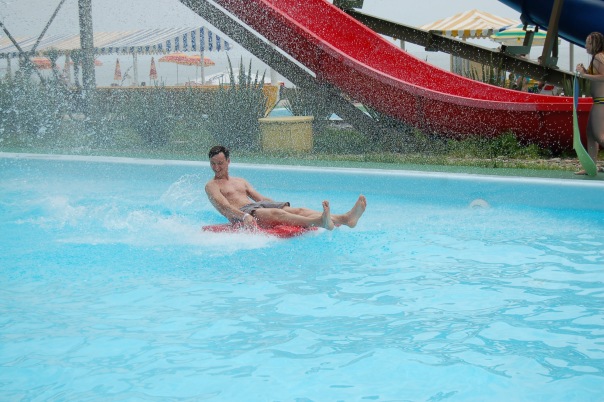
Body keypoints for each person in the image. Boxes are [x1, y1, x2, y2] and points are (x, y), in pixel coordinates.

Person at [205, 145, 367, 230]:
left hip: (256, 207)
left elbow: (261, 199)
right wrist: (244, 216)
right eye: (213, 164)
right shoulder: (211, 186)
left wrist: (278, 205)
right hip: (242, 214)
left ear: (228, 161)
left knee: (298, 210)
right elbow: (225, 207)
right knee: (278, 213)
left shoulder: (240, 181)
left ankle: (346, 219)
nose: (216, 167)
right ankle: (319, 221)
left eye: (220, 163)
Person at [576, 32, 604, 174]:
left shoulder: (599, 57)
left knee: (599, 136)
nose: (585, 46)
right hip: (598, 102)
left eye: (587, 43)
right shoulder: (596, 58)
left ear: (594, 44)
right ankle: (591, 166)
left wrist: (584, 75)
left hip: (601, 102)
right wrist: (585, 71)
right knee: (590, 134)